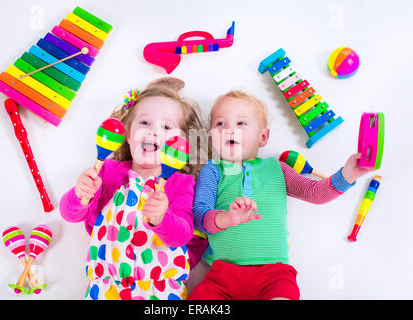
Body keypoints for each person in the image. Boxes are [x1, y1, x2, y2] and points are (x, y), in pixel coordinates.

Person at [188, 90, 372, 300]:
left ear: (263, 137)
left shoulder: (277, 169)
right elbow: (198, 217)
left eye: (241, 123)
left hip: (274, 275)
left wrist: (347, 175)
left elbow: (315, 193)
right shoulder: (213, 170)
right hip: (222, 276)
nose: (230, 129)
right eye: (220, 124)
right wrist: (226, 218)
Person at [60, 77, 206, 300]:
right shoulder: (107, 171)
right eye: (144, 123)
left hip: (160, 288)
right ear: (128, 135)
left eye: (166, 127)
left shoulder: (180, 183)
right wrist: (80, 194)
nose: (153, 132)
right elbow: (71, 215)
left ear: (180, 143)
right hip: (106, 287)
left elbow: (182, 236)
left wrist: (161, 218)